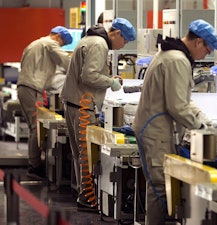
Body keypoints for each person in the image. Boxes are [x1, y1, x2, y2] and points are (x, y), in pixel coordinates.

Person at [133, 19, 217, 225]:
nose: (204, 56)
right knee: (160, 187)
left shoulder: (169, 54)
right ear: (198, 42)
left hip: (153, 128)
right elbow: (177, 106)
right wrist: (200, 127)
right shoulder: (178, 60)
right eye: (207, 50)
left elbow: (181, 100)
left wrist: (200, 116)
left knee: (159, 186)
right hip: (155, 131)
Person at [60, 17, 136, 211]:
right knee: (87, 155)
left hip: (74, 103)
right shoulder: (99, 44)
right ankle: (87, 199)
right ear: (117, 33)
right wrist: (110, 83)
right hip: (83, 106)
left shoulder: (91, 39)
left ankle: (84, 196)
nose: (122, 46)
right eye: (124, 41)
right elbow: (89, 75)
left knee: (80, 154)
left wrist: (109, 78)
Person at [17, 26, 73, 180]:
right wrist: (80, 72)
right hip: (31, 89)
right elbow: (66, 62)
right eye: (62, 43)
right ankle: (34, 167)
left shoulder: (35, 44)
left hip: (26, 87)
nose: (61, 46)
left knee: (33, 128)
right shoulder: (50, 43)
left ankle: (34, 164)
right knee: (36, 127)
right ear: (58, 37)